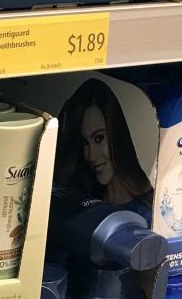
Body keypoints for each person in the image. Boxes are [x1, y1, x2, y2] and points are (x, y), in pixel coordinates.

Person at [56, 78, 153, 219]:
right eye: (85, 143)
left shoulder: (147, 211)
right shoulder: (84, 200)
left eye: (99, 138)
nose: (91, 156)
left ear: (117, 135)